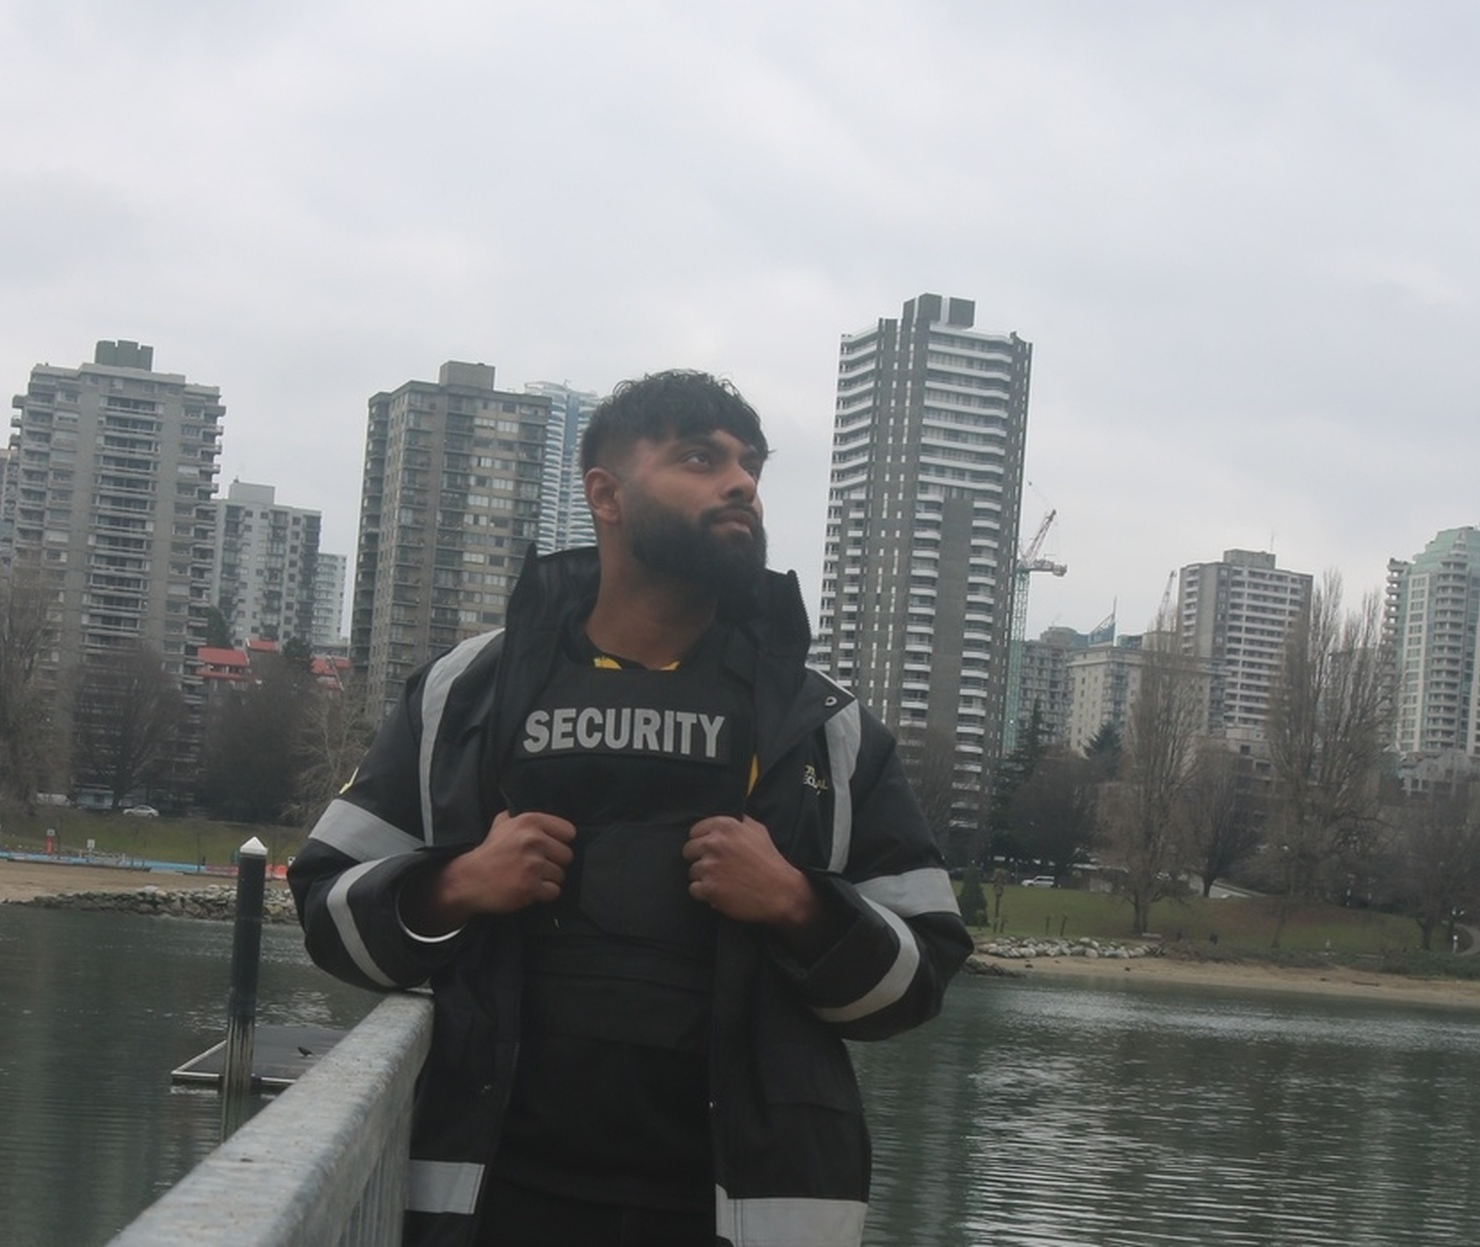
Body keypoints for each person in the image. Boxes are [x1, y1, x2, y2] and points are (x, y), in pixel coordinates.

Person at [289, 369, 972, 1247]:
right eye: (699, 457)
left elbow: (921, 978)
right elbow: (322, 906)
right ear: (604, 494)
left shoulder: (825, 725)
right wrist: (455, 885)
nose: (740, 483)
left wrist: (801, 906)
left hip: (743, 1213)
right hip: (488, 1205)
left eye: (750, 464)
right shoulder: (467, 695)